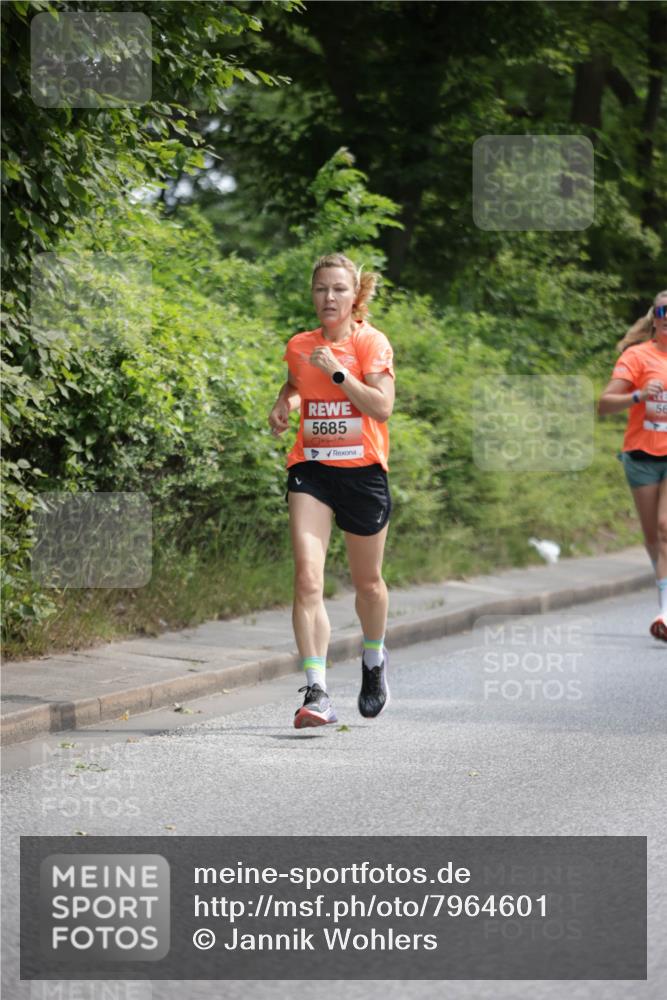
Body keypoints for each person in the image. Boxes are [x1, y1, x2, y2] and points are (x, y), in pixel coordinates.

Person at [268, 253, 396, 726]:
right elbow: (298, 383)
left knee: (368, 584)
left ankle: (373, 657)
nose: (329, 297)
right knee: (307, 577)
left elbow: (381, 408)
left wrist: (341, 373)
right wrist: (284, 403)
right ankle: (316, 691)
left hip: (362, 474)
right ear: (313, 293)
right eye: (321, 289)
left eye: (339, 289)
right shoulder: (300, 345)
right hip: (313, 470)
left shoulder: (370, 343)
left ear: (353, 294)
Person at [598, 289, 667, 642]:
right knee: (653, 537)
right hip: (641, 454)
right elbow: (604, 404)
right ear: (654, 317)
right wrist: (639, 395)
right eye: (664, 310)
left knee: (665, 525)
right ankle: (664, 598)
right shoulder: (637, 357)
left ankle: (666, 611)